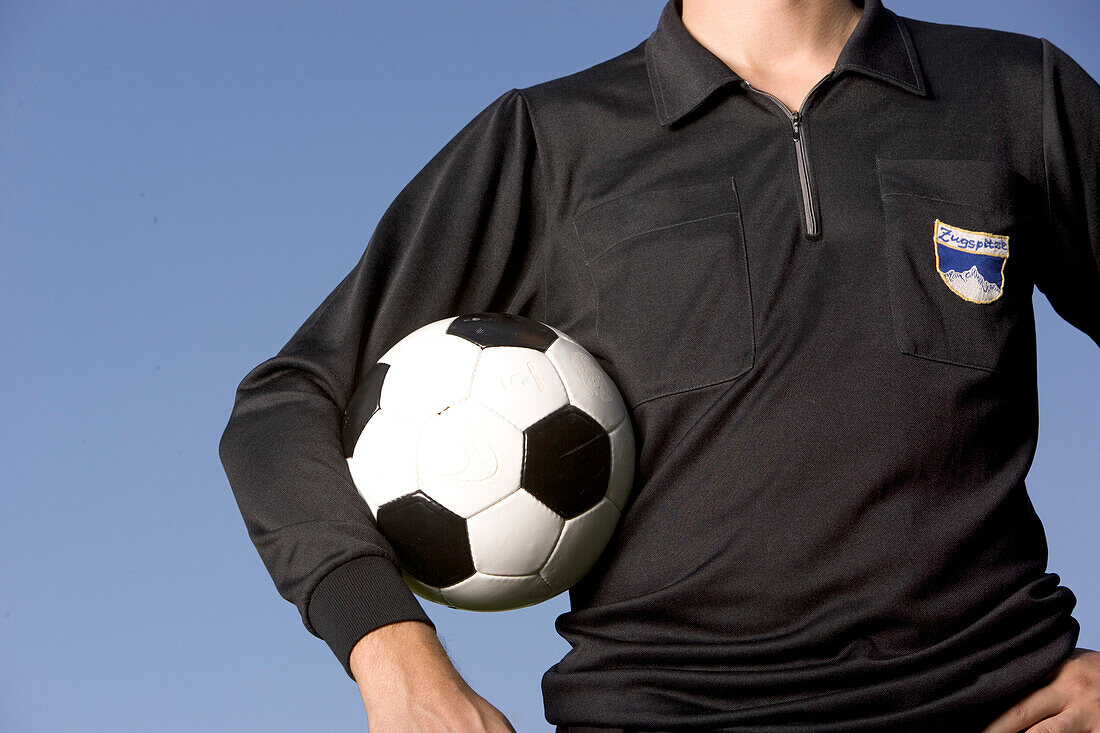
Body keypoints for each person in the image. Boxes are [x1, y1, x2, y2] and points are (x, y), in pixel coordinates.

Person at [218, 0, 1100, 730]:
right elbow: (284, 405)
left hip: (992, 701)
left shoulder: (1018, 93)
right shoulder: (553, 141)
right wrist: (395, 658)